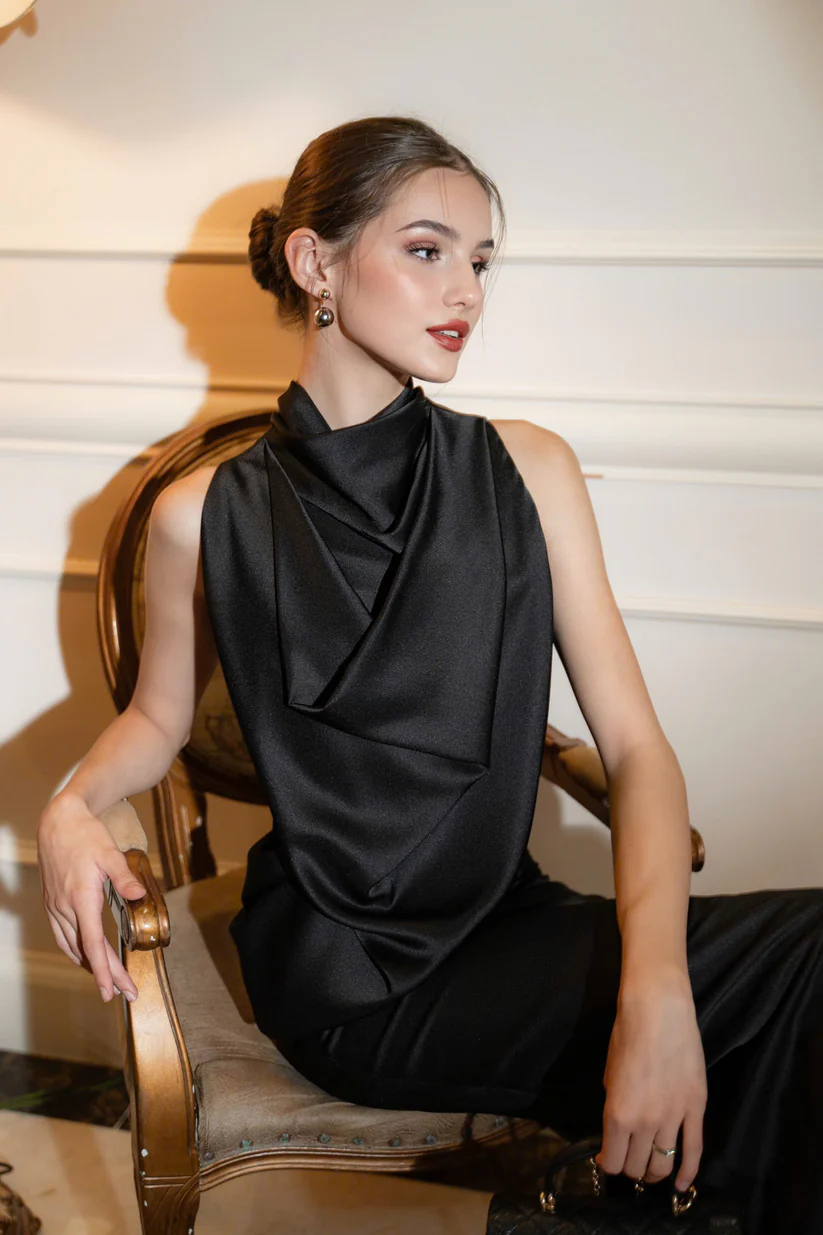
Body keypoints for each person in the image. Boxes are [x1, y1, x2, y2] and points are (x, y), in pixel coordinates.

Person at [37, 116, 822, 1235]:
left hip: (508, 917)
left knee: (791, 981)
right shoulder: (201, 514)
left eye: (480, 260)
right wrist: (70, 806)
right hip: (352, 975)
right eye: (425, 250)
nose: (466, 291)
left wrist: (655, 988)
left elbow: (638, 751)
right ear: (314, 263)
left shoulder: (527, 469)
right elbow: (157, 720)